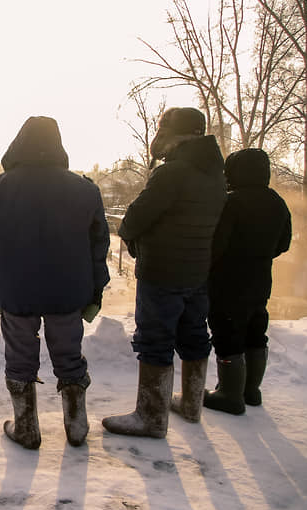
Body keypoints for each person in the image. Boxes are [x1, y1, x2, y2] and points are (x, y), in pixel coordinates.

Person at [0, 116, 110, 448]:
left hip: (15, 291)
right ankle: (76, 427)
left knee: (20, 356)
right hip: (68, 291)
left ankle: (26, 429)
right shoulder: (85, 190)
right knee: (69, 355)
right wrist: (95, 291)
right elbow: (98, 246)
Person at [102, 107, 226, 439]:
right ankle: (191, 404)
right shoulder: (215, 174)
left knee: (155, 340)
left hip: (162, 271)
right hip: (198, 271)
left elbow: (134, 220)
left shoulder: (172, 174)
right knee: (195, 336)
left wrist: (130, 233)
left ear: (172, 135)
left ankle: (151, 416)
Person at [203, 149, 291, 415]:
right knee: (255, 330)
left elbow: (217, 245)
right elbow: (283, 244)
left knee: (226, 331)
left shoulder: (232, 202)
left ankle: (230, 394)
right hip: (261, 279)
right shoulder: (277, 202)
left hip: (228, 281)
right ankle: (251, 390)